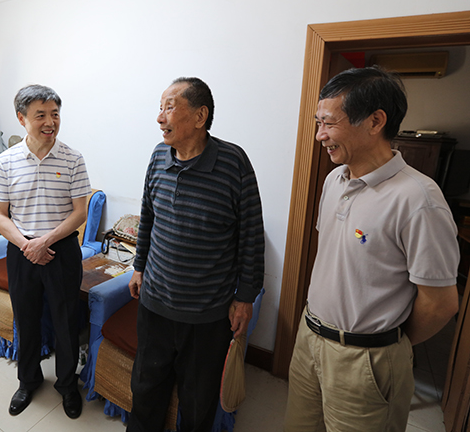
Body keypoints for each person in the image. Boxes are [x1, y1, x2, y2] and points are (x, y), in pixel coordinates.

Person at [284, 66, 460, 432]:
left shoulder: (419, 199)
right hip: (309, 338)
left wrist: (386, 346)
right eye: (318, 123)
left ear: (375, 121)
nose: (320, 135)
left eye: (329, 123)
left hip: (365, 359)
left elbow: (440, 304)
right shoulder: (334, 179)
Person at [128, 77, 265, 432]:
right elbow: (148, 217)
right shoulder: (158, 156)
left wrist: (245, 298)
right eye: (160, 108)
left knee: (197, 403)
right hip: (155, 305)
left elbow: (251, 236)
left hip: (207, 314)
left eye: (169, 107)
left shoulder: (234, 163)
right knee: (145, 389)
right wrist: (139, 267)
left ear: (200, 116)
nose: (160, 117)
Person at [0, 84, 91, 419]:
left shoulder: (73, 158)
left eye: (55, 114)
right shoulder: (6, 161)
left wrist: (45, 242)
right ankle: (28, 380)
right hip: (22, 250)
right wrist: (27, 245)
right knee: (26, 318)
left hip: (61, 250)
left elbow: (80, 212)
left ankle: (67, 385)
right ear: (22, 118)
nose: (50, 122)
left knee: (66, 320)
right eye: (40, 115)